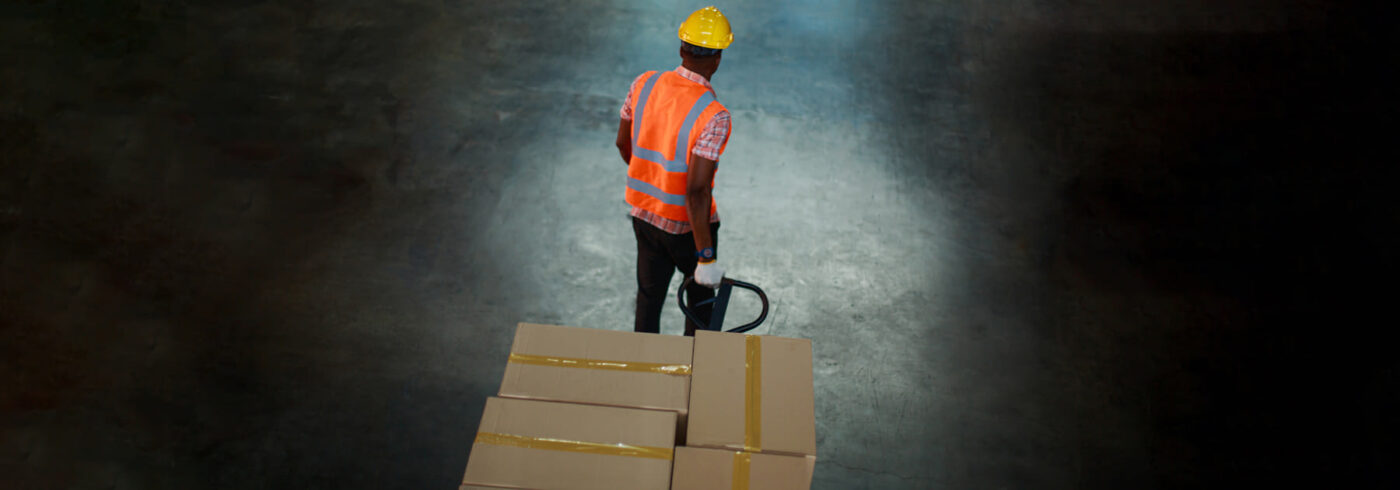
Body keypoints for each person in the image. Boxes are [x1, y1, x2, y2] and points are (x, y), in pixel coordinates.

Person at [615, 6, 734, 336]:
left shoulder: (644, 84)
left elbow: (623, 143)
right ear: (718, 58)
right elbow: (697, 191)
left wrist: (654, 179)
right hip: (687, 229)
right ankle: (695, 375)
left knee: (649, 298)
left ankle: (642, 369)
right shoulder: (713, 115)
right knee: (699, 307)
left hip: (643, 215)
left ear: (681, 48)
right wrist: (706, 257)